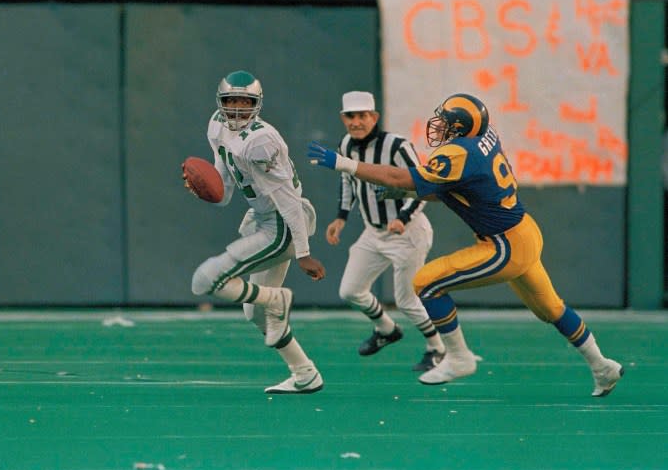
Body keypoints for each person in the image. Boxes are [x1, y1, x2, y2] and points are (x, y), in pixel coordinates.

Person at [307, 93, 624, 397]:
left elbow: (397, 176)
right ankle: (602, 366)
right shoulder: (483, 140)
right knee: (553, 309)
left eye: (446, 122)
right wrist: (408, 193)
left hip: (503, 245)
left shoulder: (458, 154)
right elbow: (446, 188)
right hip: (524, 232)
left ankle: (458, 357)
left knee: (426, 283)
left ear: (461, 128)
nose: (439, 126)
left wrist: (344, 164)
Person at [185, 70, 327, 394]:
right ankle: (305, 373)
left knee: (205, 280)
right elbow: (226, 189)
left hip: (281, 224)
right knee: (253, 312)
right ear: (220, 102)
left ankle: (278, 299)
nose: (236, 108)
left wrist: (303, 252)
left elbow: (288, 199)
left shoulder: (261, 141)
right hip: (263, 216)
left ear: (257, 104)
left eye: (244, 101)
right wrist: (206, 191)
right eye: (230, 101)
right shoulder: (217, 125)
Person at [324, 91, 444, 371]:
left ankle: (438, 348)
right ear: (343, 119)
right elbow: (347, 179)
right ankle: (387, 330)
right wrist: (341, 217)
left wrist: (402, 216)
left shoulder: (397, 146)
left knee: (406, 300)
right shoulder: (346, 145)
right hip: (374, 232)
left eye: (362, 115)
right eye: (350, 116)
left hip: (408, 232)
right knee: (351, 290)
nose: (356, 122)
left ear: (374, 117)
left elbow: (424, 186)